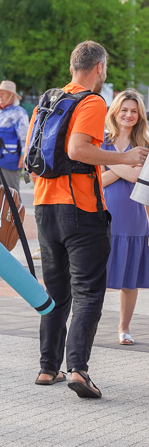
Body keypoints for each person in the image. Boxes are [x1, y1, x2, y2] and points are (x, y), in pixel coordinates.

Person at [33, 41, 148, 398]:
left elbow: (32, 156)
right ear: (99, 68)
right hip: (81, 208)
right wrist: (125, 159)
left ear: (72, 66)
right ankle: (78, 369)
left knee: (56, 290)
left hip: (44, 205)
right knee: (88, 292)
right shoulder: (92, 101)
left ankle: (47, 368)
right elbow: (77, 150)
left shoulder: (47, 100)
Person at [100, 89, 149, 346]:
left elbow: (139, 178)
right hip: (103, 218)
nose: (129, 114)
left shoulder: (144, 145)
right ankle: (86, 326)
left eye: (134, 110)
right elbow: (97, 180)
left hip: (134, 219)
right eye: (124, 109)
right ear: (115, 112)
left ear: (139, 114)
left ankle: (124, 328)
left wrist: (110, 165)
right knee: (95, 277)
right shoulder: (100, 141)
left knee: (130, 280)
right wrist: (124, 166)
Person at [0, 80, 30, 192]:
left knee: (11, 194)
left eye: (3, 93)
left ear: (12, 96)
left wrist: (23, 156)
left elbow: (25, 136)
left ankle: (16, 210)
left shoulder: (19, 112)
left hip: (10, 159)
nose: (0, 96)